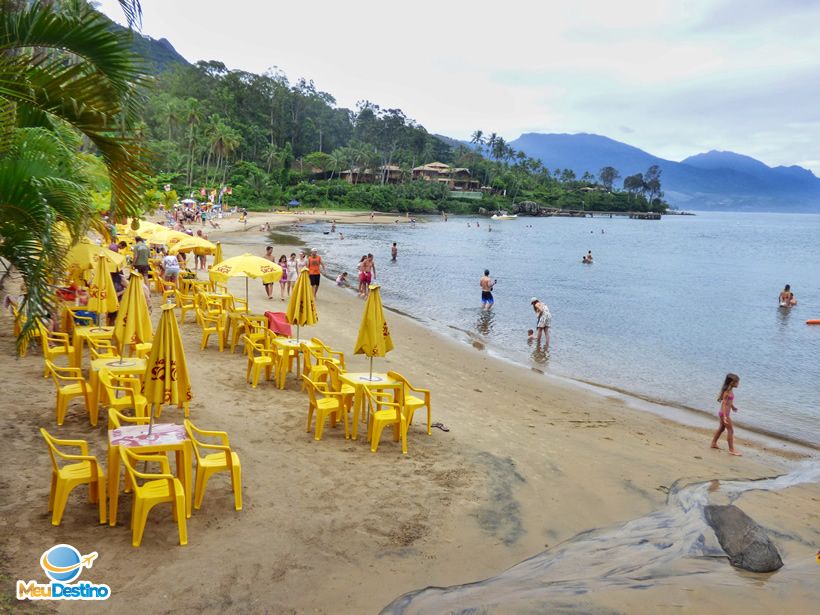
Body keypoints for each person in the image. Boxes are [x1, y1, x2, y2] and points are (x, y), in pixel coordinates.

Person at [710, 373, 742, 456]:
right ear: (732, 383)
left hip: (724, 413)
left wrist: (733, 407)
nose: (738, 384)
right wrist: (724, 416)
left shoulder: (730, 390)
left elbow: (729, 402)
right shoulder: (727, 392)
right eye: (737, 382)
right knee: (730, 430)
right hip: (724, 414)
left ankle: (713, 443)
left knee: (721, 429)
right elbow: (724, 404)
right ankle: (731, 450)